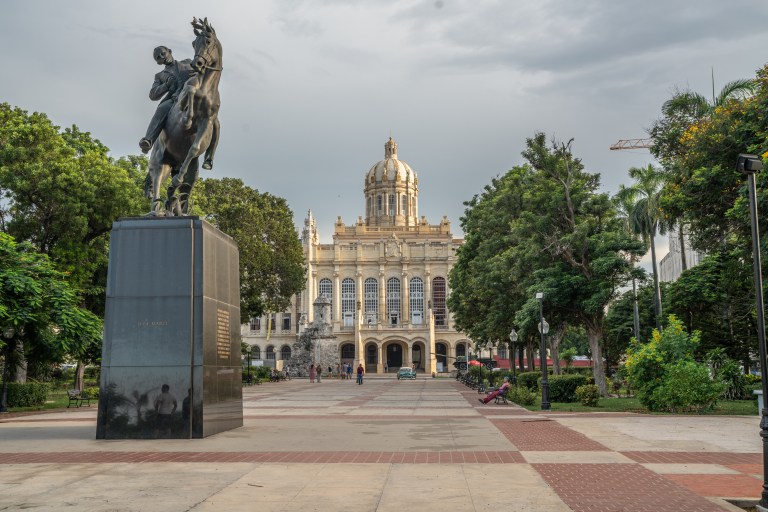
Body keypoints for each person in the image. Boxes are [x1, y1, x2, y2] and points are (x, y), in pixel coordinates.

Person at [138, 46, 217, 170]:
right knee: (161, 109)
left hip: (194, 97)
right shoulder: (159, 76)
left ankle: (209, 156)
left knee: (214, 120)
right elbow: (153, 95)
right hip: (174, 100)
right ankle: (148, 141)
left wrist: (198, 72)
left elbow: (204, 72)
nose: (162, 58)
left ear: (169, 51)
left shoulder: (187, 62)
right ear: (157, 62)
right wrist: (166, 85)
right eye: (158, 58)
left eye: (163, 54)